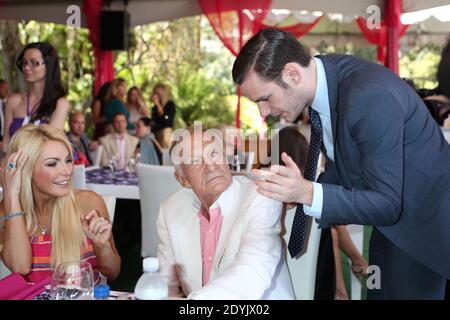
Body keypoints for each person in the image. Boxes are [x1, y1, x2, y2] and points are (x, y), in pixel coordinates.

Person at [232, 29, 450, 299]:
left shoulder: (369, 95)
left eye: (264, 99)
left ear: (292, 74)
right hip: (392, 233)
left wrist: (307, 192)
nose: (263, 113)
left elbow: (387, 203)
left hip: (426, 239)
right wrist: (299, 195)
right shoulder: (326, 83)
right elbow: (348, 167)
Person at [157, 129, 294, 299]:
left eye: (213, 153)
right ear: (182, 179)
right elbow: (164, 285)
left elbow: (251, 274)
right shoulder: (170, 210)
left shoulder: (260, 197)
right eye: (195, 160)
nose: (211, 166)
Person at [0, 124, 121, 284]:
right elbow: (20, 267)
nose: (67, 171)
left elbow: (112, 272)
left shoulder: (88, 202)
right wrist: (11, 195)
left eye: (68, 160)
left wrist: (102, 246)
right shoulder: (7, 211)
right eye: (52, 164)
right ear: (26, 170)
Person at [2, 42, 70, 152]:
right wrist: (10, 167)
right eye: (24, 62)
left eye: (34, 63)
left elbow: (50, 146)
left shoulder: (60, 103)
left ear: (49, 65)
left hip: (44, 166)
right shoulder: (13, 101)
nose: (26, 67)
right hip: (14, 166)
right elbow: (6, 145)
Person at [151, 83, 176, 149]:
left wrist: (159, 107)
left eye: (157, 94)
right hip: (156, 133)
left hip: (165, 132)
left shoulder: (170, 104)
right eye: (154, 93)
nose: (155, 96)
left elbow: (167, 118)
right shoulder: (154, 108)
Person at [0, 79, 9, 145]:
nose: (3, 90)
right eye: (1, 87)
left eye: (4, 87)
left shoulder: (13, 102)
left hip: (11, 136)